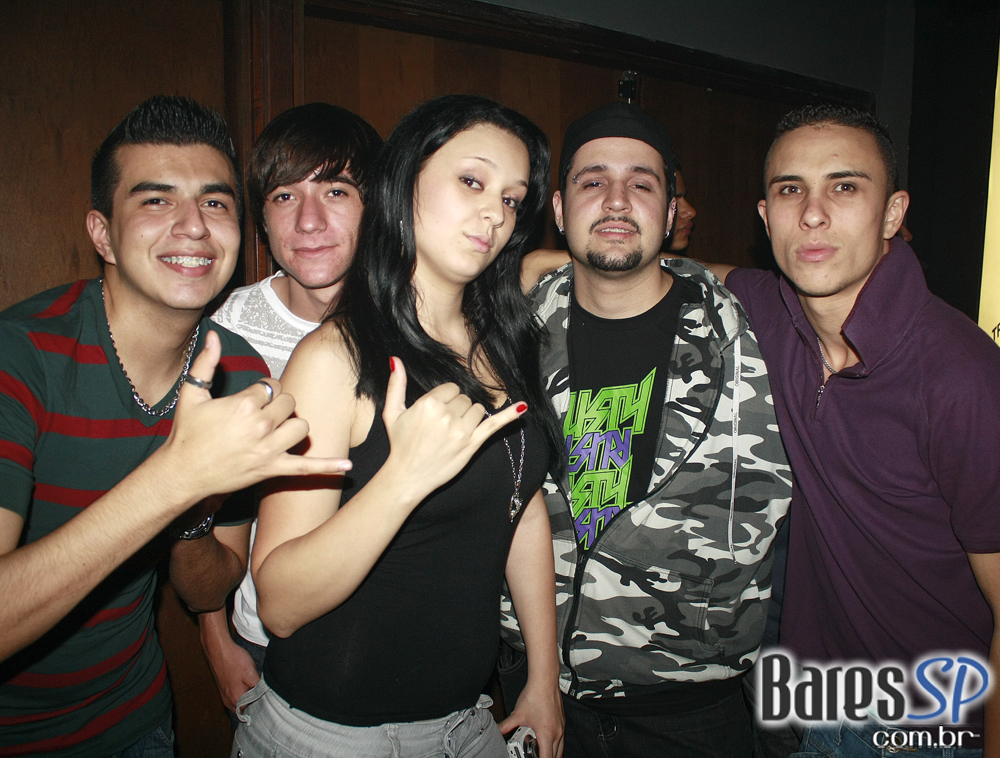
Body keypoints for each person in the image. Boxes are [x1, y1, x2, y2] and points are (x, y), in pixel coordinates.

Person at [0, 96, 350, 757]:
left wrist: (192, 513)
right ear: (103, 234)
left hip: (137, 722)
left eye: (215, 203)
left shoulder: (238, 369)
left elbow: (212, 583)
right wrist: (176, 477)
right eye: (157, 201)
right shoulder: (20, 357)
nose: (193, 226)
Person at [232, 95, 566, 758]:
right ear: (405, 181)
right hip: (332, 736)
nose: (494, 214)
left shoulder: (506, 341)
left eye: (511, 199)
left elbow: (518, 503)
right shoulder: (335, 358)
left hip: (464, 722)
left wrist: (544, 677)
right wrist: (402, 479)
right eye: (471, 181)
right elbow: (279, 605)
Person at [502, 101, 791, 758]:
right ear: (558, 208)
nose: (615, 199)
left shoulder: (754, 335)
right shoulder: (503, 334)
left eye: (641, 182)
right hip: (536, 687)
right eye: (592, 180)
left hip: (690, 707)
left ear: (671, 211)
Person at [717, 104, 1000, 756]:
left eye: (844, 187)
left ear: (893, 214)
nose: (813, 214)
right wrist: (548, 263)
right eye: (791, 190)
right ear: (766, 216)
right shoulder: (774, 310)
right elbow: (688, 275)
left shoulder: (961, 376)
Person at [199, 103, 381, 722]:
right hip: (267, 637)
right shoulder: (225, 334)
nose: (309, 220)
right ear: (262, 219)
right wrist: (215, 637)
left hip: (394, 632)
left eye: (336, 191)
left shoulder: (417, 320)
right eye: (284, 196)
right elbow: (200, 504)